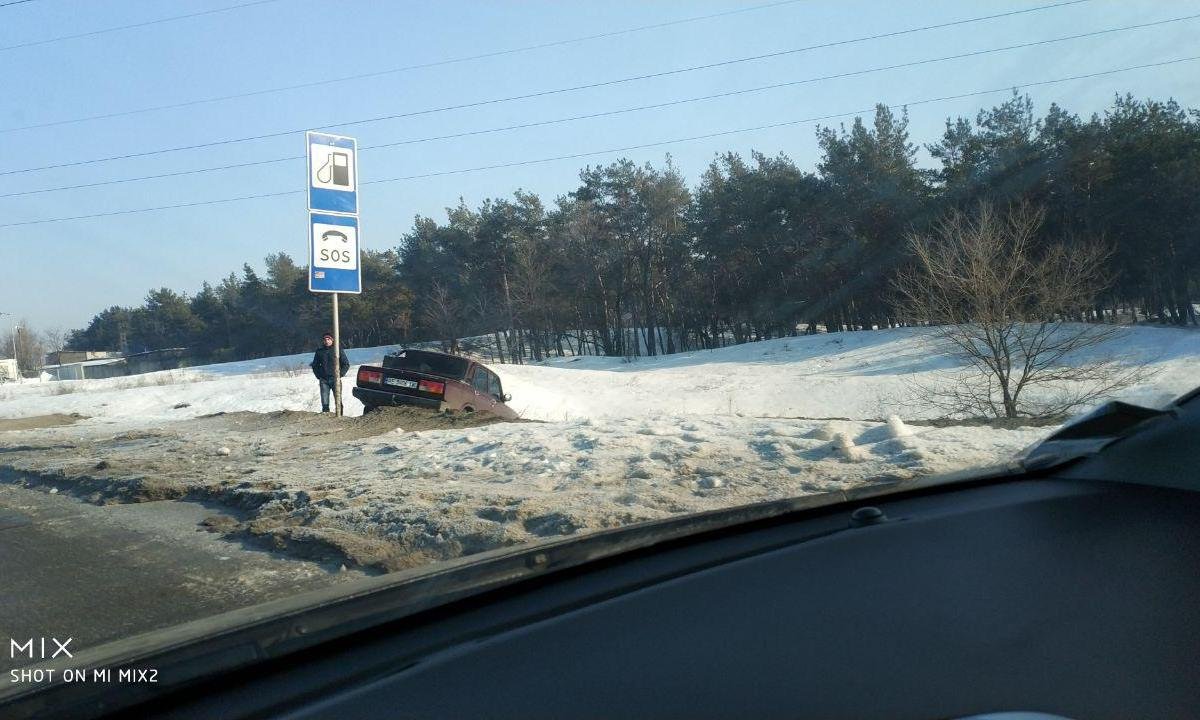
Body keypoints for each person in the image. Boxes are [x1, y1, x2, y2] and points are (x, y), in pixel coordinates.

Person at [310, 332, 350, 413]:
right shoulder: (319, 351)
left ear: (332, 340)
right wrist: (318, 375)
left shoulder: (338, 349)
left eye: (328, 339)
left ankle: (340, 418)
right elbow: (315, 365)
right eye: (325, 339)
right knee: (325, 403)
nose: (327, 341)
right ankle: (326, 420)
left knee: (338, 402)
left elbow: (346, 364)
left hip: (335, 379)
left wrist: (340, 374)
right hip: (324, 380)